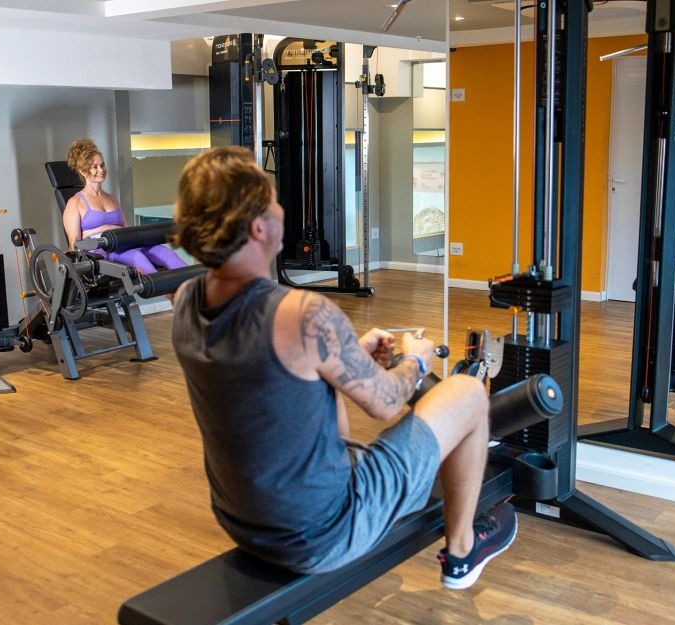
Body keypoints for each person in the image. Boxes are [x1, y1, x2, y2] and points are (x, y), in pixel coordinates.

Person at [170, 146, 517, 589]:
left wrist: (344, 351)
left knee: (328, 395)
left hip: (243, 522)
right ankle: (463, 552)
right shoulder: (300, 315)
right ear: (258, 227)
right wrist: (416, 358)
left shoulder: (186, 302)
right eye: (275, 201)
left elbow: (270, 375)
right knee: (465, 393)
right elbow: (385, 403)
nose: (282, 209)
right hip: (325, 533)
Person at [63, 138, 186, 275]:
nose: (101, 170)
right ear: (83, 171)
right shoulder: (75, 202)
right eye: (95, 167)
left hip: (124, 243)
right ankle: (164, 288)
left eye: (102, 165)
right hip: (101, 251)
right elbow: (75, 246)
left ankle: (197, 285)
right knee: (137, 257)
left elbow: (127, 230)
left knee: (165, 253)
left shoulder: (112, 199)